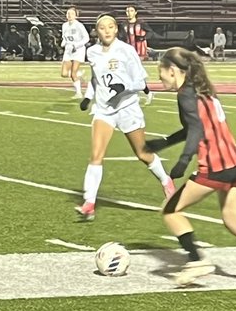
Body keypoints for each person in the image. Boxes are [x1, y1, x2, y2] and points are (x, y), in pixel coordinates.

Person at [149, 47, 236, 288]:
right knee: (234, 220)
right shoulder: (204, 91)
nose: (159, 78)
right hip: (235, 164)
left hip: (215, 167)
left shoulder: (185, 95)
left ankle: (196, 261)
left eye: (160, 73)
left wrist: (183, 161)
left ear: (172, 70)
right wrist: (163, 143)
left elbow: (196, 130)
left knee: (170, 210)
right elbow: (193, 126)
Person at [74, 14, 175, 221]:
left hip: (127, 107)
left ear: (116, 29)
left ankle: (166, 181)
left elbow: (141, 82)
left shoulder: (126, 51)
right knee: (96, 156)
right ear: (97, 31)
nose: (107, 31)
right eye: (102, 28)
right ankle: (89, 203)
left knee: (142, 153)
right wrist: (87, 97)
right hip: (103, 110)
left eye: (111, 27)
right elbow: (96, 79)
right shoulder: (92, 52)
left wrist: (124, 87)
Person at [60, 7, 91, 98]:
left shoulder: (79, 25)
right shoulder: (64, 25)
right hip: (68, 50)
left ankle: (79, 93)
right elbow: (65, 37)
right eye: (68, 13)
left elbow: (86, 38)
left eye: (72, 13)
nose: (69, 15)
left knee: (73, 73)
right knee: (64, 73)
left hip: (78, 50)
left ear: (76, 16)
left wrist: (76, 45)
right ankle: (79, 74)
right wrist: (63, 43)